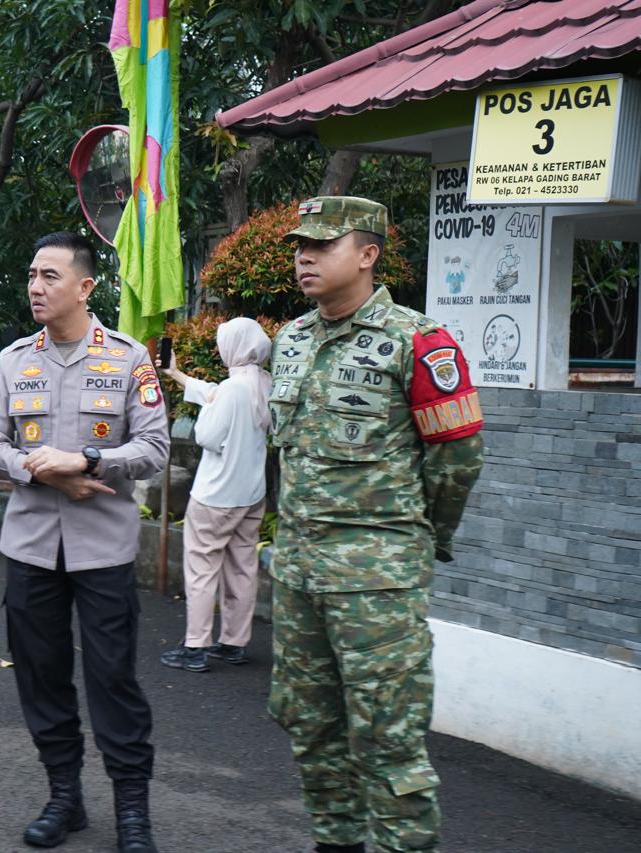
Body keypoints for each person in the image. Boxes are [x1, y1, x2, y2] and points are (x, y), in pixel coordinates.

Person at [268, 197, 484, 853]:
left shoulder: (419, 341)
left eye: (322, 245)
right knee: (310, 724)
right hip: (301, 573)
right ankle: (335, 841)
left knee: (387, 736)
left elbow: (456, 461)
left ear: (368, 254)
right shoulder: (292, 338)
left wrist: (412, 540)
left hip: (377, 583)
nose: (305, 256)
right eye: (300, 245)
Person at [0, 231, 169, 853]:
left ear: (85, 287)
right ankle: (65, 796)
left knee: (113, 679)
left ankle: (132, 809)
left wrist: (88, 460)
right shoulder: (13, 361)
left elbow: (154, 450)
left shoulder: (128, 358)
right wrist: (44, 468)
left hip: (102, 553)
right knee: (42, 675)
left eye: (50, 276)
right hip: (31, 549)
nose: (36, 286)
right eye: (32, 275)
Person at [157, 318, 272, 672]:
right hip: (251, 494)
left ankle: (196, 646)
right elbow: (214, 392)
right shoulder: (263, 382)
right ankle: (233, 643)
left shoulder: (232, 389)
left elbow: (205, 435)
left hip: (215, 496)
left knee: (202, 571)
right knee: (242, 568)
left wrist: (209, 407)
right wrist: (177, 374)